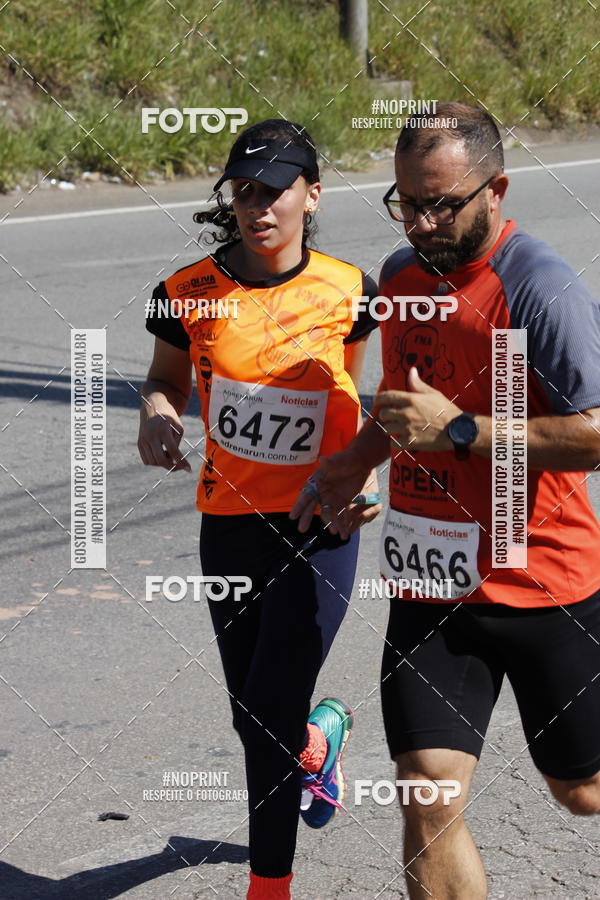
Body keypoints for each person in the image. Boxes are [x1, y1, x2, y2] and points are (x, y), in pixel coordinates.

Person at [291, 102, 600, 899]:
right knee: (427, 794)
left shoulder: (540, 288)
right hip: (433, 585)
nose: (422, 223)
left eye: (442, 204)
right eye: (407, 202)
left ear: (495, 190)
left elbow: (596, 434)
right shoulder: (400, 278)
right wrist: (354, 461)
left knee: (582, 794)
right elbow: (401, 398)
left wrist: (460, 429)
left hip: (545, 584)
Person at [138, 118, 380, 900]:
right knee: (253, 714)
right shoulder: (186, 292)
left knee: (269, 701)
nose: (258, 206)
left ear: (312, 196)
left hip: (323, 523)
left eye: (276, 190)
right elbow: (166, 381)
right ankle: (319, 743)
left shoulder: (352, 290)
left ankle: (268, 886)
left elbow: (351, 389)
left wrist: (360, 473)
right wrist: (158, 412)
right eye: (244, 191)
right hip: (230, 524)